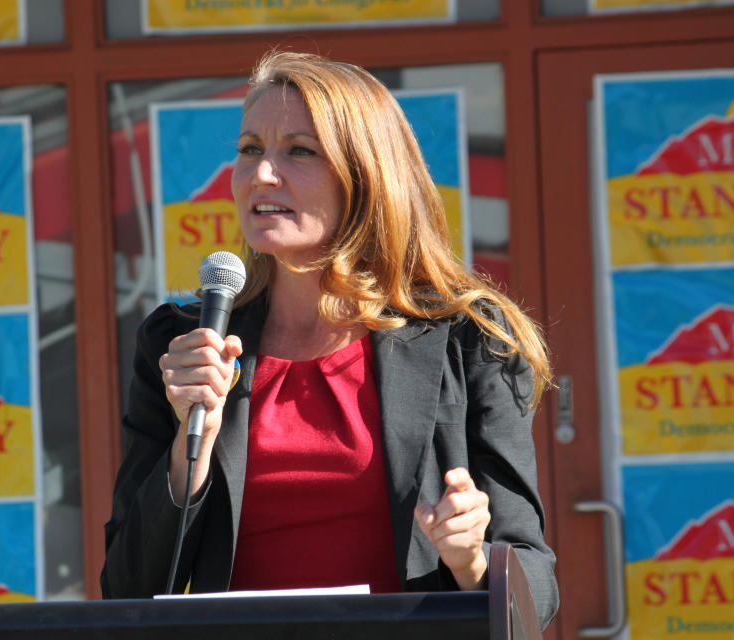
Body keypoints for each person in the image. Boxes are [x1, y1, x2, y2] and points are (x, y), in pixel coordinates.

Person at [101, 50, 559, 629]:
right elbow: (126, 588)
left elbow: (534, 592)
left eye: (299, 150)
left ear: (366, 176)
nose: (262, 173)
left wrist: (472, 558)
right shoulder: (184, 343)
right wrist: (188, 450)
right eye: (249, 150)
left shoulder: (470, 340)